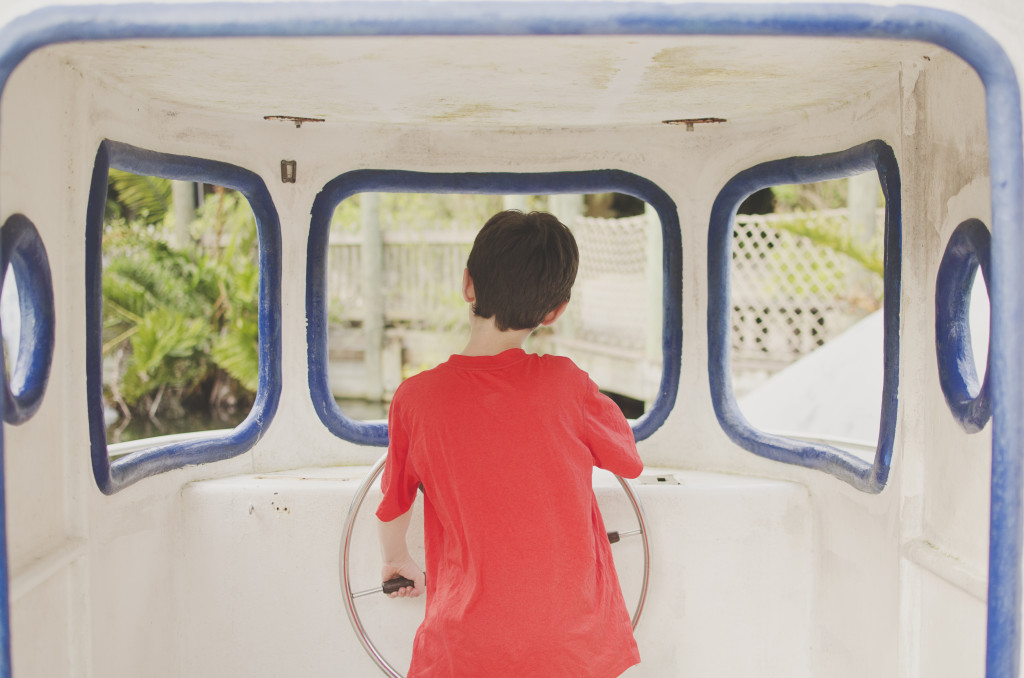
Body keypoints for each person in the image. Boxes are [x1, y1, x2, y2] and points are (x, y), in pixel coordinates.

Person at [375, 209, 643, 677]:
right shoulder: (567, 384)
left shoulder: (414, 400)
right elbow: (628, 460)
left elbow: (395, 502)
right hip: (574, 645)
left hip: (465, 648)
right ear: (554, 312)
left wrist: (396, 560)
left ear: (467, 286)